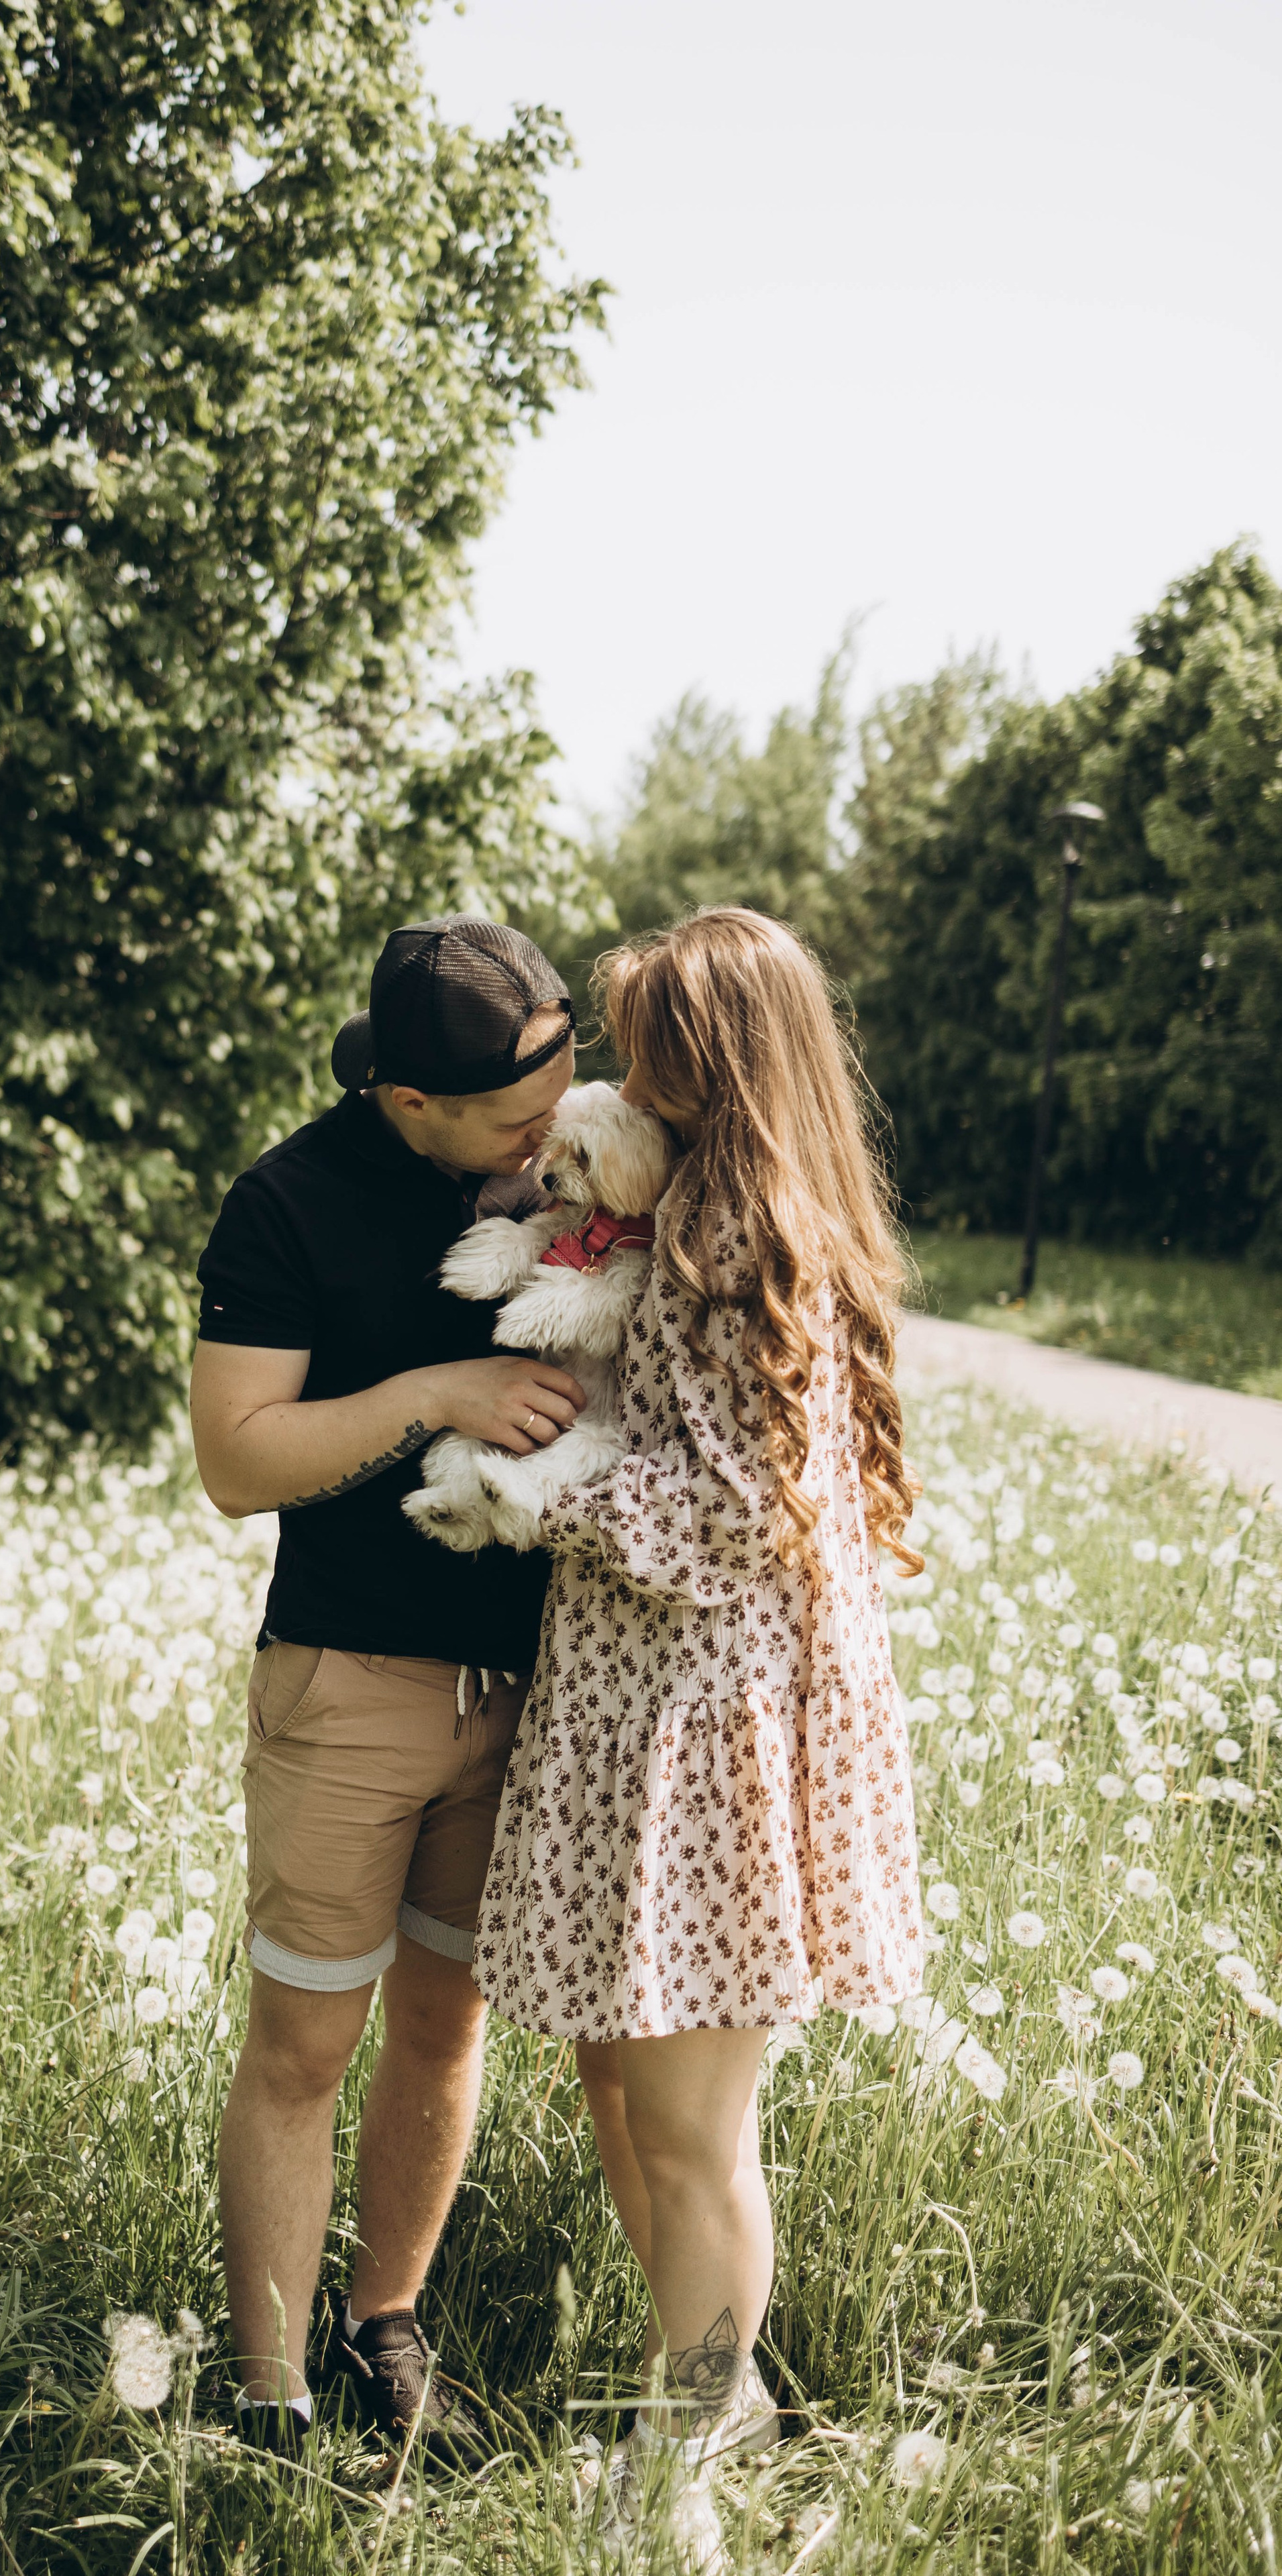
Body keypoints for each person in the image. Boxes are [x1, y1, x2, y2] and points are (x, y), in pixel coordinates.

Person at [472, 907, 924, 2565]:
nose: (619, 1075)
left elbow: (739, 1514)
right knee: (645, 2103)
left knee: (688, 2128)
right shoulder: (692, 1216)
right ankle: (719, 2418)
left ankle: (686, 2474)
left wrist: (543, 1495)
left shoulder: (748, 1248)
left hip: (708, 1730)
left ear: (716, 1065)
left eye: (650, 1041)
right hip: (653, 1713)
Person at [191, 914, 587, 2461]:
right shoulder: (286, 1201)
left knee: (445, 2028)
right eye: (515, 1117)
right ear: (407, 1103)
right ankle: (270, 2392)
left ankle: (386, 2325)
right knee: (301, 2051)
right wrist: (432, 1393)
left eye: (564, 1086)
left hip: (535, 1686)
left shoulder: (569, 1165)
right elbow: (236, 1461)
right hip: (349, 1680)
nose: (549, 1134)